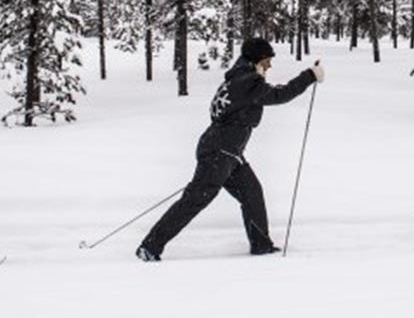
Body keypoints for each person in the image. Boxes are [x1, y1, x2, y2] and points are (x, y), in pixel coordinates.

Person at [136, 37, 325, 260]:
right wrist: (310, 76)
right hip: (220, 152)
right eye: (267, 61)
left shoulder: (238, 79)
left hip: (227, 153)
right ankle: (150, 247)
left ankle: (261, 245)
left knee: (252, 192)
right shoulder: (247, 82)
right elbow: (280, 95)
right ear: (256, 60)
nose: (270, 66)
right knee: (195, 200)